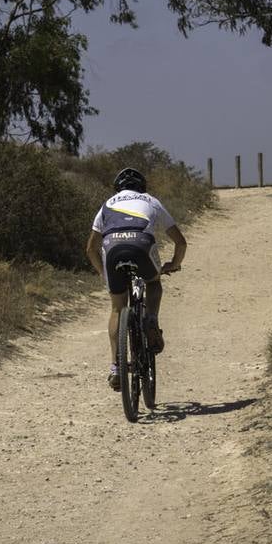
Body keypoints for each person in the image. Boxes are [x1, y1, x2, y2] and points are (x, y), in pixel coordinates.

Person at [85, 167, 187, 389]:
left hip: (112, 249)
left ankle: (116, 366)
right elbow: (181, 242)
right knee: (153, 282)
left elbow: (91, 249)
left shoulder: (107, 204)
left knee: (116, 309)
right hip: (141, 245)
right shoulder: (151, 201)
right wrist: (173, 264)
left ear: (117, 188)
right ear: (142, 187)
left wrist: (104, 274)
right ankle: (150, 319)